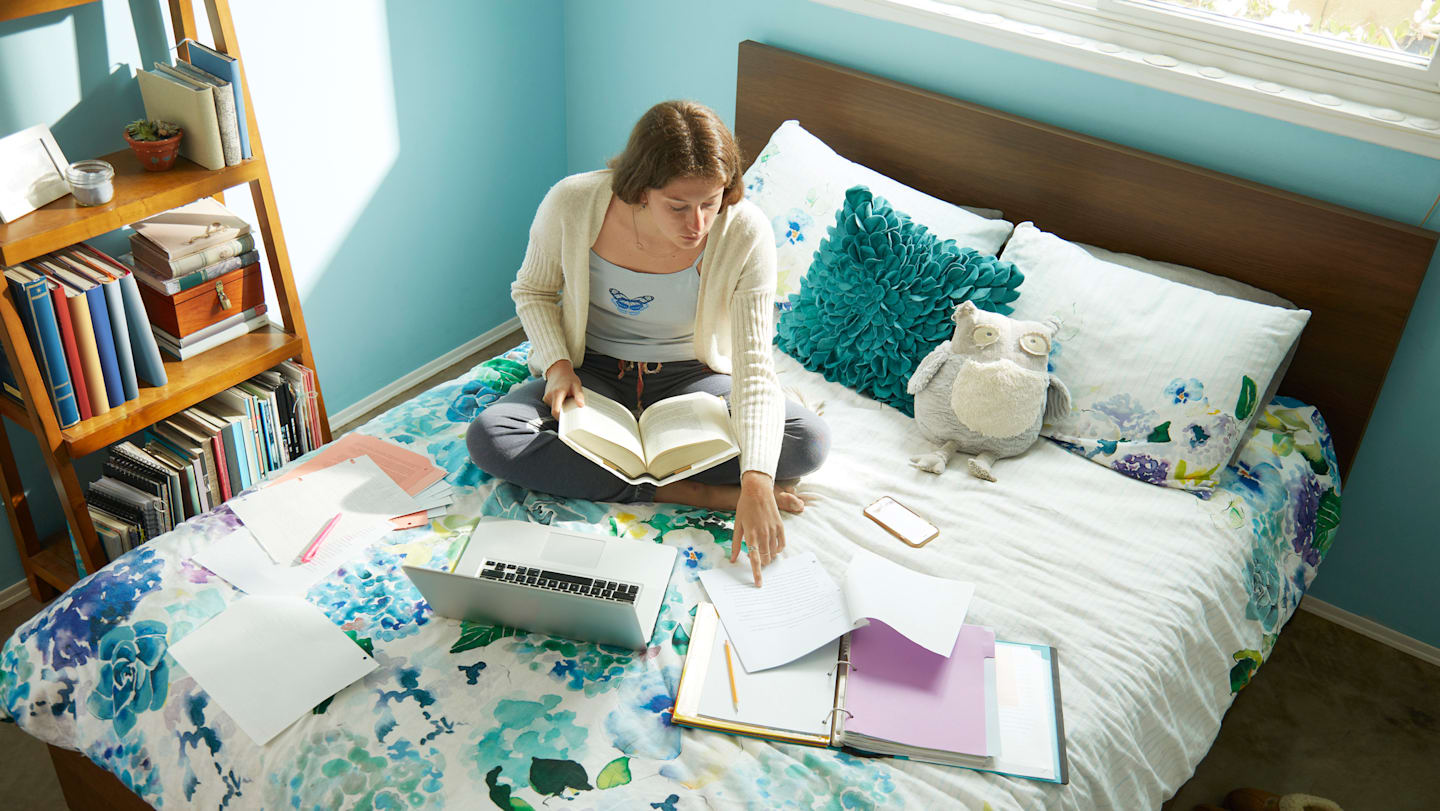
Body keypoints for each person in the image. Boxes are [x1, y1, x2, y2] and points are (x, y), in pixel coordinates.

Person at [467, 100, 830, 586]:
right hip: (591, 371)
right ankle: (686, 491)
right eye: (677, 206)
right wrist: (556, 364)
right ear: (640, 189)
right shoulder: (572, 203)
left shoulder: (745, 230)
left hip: (693, 377)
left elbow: (753, 367)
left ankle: (637, 476)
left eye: (710, 202)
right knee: (493, 436)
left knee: (806, 443)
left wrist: (758, 481)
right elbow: (532, 291)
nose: (697, 224)